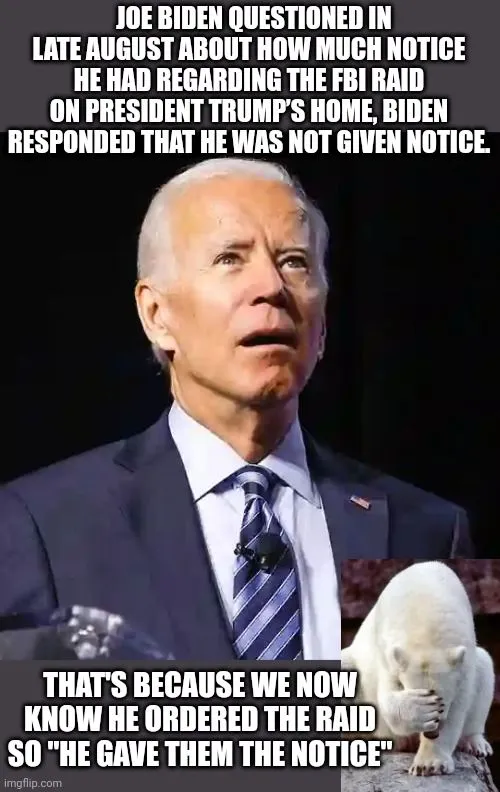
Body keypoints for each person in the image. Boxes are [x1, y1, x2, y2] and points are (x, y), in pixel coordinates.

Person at [0, 158, 473, 661]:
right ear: (157, 315)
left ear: (323, 325)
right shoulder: (41, 526)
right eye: (230, 258)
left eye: (294, 261)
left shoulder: (426, 530)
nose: (271, 286)